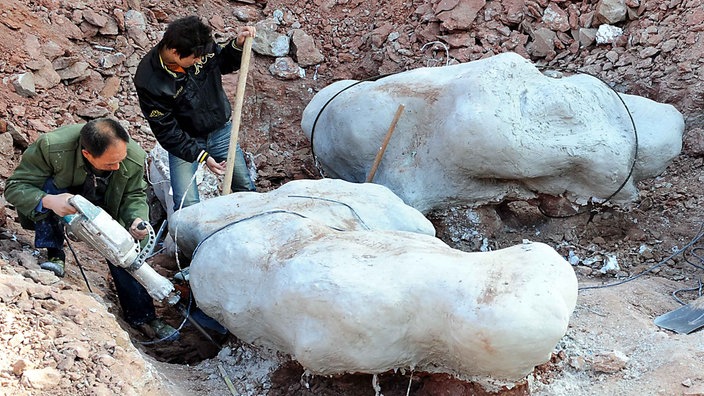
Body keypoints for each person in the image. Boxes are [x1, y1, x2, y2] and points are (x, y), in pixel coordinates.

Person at [4, 118, 178, 341]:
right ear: (87, 154)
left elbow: (134, 195)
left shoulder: (132, 156)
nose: (117, 167)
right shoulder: (51, 147)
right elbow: (16, 187)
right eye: (109, 164)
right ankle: (54, 253)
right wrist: (49, 201)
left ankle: (143, 316)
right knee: (46, 186)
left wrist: (136, 219)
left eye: (119, 161)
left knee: (124, 250)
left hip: (108, 202)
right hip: (64, 195)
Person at [134, 15, 257, 212]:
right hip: (184, 139)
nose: (200, 60)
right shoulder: (149, 80)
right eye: (195, 58)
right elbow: (166, 131)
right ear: (175, 52)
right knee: (187, 206)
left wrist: (237, 45)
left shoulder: (199, 47)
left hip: (221, 131)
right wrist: (202, 156)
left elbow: (222, 63)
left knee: (246, 189)